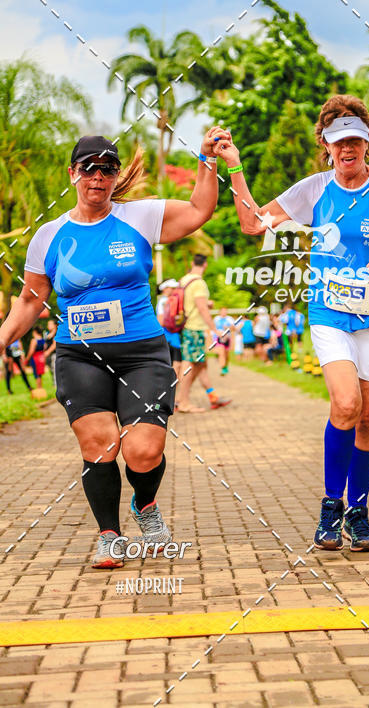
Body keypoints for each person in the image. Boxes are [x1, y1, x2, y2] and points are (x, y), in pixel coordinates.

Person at [216, 93, 369, 552]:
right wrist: (235, 166)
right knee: (346, 403)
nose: (348, 150)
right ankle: (330, 507)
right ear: (325, 143)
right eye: (339, 141)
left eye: (356, 141)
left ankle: (358, 512)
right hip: (329, 314)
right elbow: (252, 224)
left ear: (367, 142)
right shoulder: (314, 189)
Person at [0, 129, 228, 568]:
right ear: (73, 174)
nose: (98, 177)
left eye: (107, 169)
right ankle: (109, 535)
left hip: (141, 351)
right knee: (100, 444)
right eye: (89, 168)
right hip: (79, 354)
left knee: (143, 450)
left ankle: (145, 505)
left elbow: (201, 209)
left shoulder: (138, 217)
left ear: (115, 176)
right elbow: (30, 301)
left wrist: (206, 159)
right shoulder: (48, 236)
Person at [177, 255, 230, 413]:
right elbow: (202, 309)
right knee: (190, 364)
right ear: (205, 265)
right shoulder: (199, 283)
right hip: (195, 328)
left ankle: (209, 397)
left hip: (185, 326)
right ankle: (183, 401)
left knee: (201, 365)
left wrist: (205, 303)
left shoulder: (184, 280)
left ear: (192, 263)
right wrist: (215, 330)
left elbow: (191, 303)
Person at [156, 279, 182, 401]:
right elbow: (161, 321)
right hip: (169, 338)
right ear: (165, 288)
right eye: (172, 288)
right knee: (174, 369)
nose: (174, 290)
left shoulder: (167, 301)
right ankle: (169, 398)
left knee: (176, 369)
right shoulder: (164, 301)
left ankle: (172, 398)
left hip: (173, 338)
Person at [215, 306, 235, 375]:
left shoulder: (230, 319)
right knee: (221, 352)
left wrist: (228, 327)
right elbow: (213, 328)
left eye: (225, 311)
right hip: (218, 338)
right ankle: (222, 367)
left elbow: (233, 328)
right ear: (220, 312)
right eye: (223, 311)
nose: (224, 312)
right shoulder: (216, 319)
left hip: (227, 338)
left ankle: (225, 366)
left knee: (226, 354)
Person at [44, 318, 58, 385]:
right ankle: (54, 383)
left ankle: (55, 384)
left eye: (50, 324)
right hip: (49, 355)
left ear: (55, 325)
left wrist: (47, 352)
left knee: (55, 369)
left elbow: (54, 345)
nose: (48, 325)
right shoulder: (47, 333)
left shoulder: (57, 333)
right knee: (51, 369)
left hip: (55, 354)